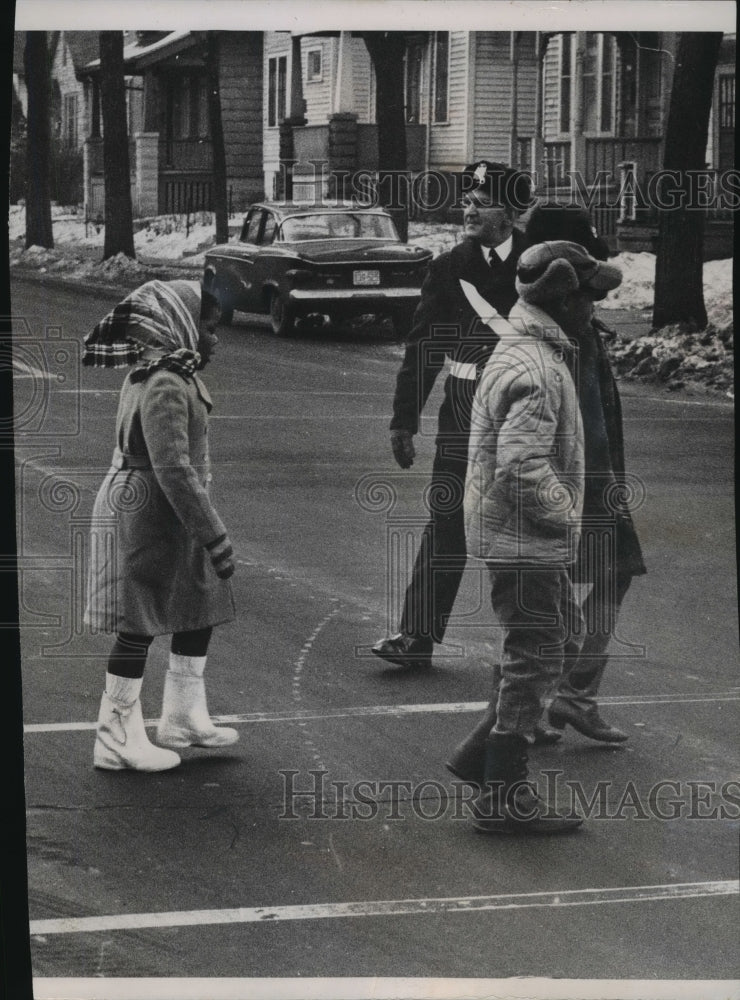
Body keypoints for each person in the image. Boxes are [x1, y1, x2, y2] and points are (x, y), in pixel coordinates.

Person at [451, 240, 623, 834]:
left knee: (561, 641)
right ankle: (503, 795)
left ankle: (482, 754)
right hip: (523, 540)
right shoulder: (536, 366)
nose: (595, 310)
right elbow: (522, 466)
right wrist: (569, 515)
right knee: (537, 655)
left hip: (516, 535)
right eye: (590, 298)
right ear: (564, 298)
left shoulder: (533, 350)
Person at [371, 161, 531, 672]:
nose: (468, 209)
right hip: (462, 410)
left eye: (480, 201)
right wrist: (404, 419)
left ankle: (533, 649)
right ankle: (416, 636)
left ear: (507, 212)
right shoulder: (448, 266)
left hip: (523, 412)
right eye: (467, 199)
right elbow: (422, 348)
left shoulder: (538, 262)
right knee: (448, 518)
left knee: (527, 524)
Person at [83, 279, 238, 772]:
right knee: (140, 618)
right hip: (148, 510)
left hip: (168, 507)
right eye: (209, 329)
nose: (215, 339)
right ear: (183, 327)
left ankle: (183, 716)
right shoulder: (166, 381)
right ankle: (114, 736)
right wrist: (214, 533)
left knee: (199, 602)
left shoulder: (170, 373)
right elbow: (173, 467)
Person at [525, 203, 647, 742]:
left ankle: (559, 697)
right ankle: (541, 707)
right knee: (541, 597)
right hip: (572, 485)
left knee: (560, 590)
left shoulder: (563, 322)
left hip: (584, 481)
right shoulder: (553, 335)